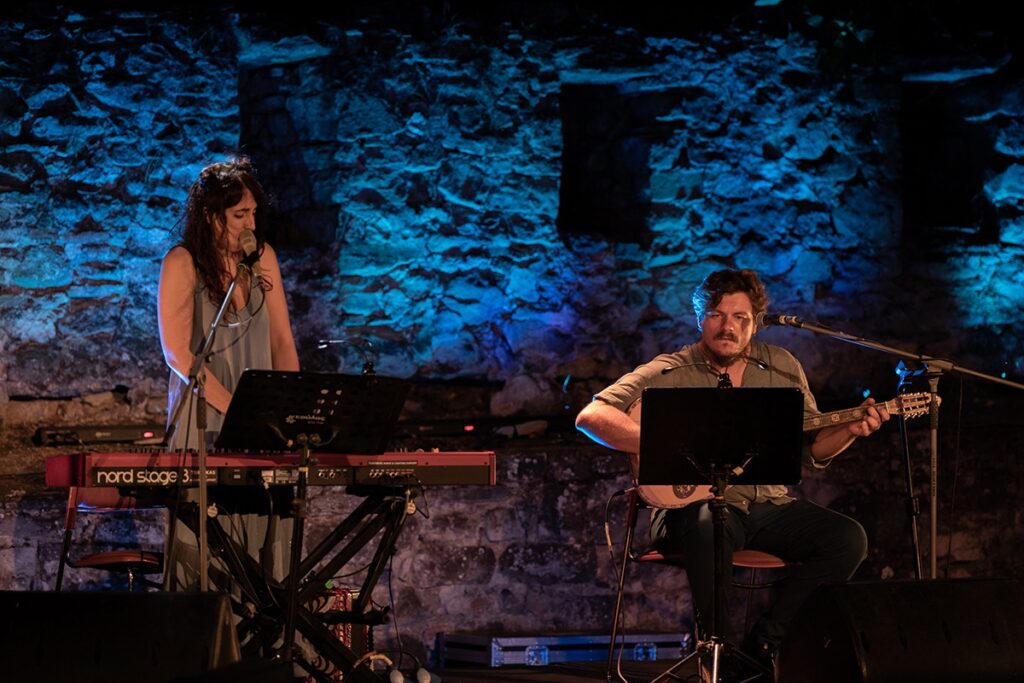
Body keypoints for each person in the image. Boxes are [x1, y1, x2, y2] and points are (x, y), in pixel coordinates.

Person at [575, 268, 889, 669]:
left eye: (740, 317)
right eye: (717, 315)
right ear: (700, 319)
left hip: (764, 507)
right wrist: (668, 444)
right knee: (710, 520)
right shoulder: (670, 370)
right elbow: (591, 416)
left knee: (847, 538)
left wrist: (850, 430)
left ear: (755, 323)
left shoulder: (781, 367)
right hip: (687, 511)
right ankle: (715, 652)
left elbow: (812, 446)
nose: (728, 327)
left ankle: (765, 645)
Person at [158, 156, 300, 591]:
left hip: (261, 422)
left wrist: (290, 412)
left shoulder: (264, 259)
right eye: (240, 215)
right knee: (209, 548)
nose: (250, 223)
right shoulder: (182, 262)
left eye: (253, 212)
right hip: (206, 418)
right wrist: (237, 411)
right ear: (210, 215)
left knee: (265, 540)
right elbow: (179, 353)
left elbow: (282, 343)